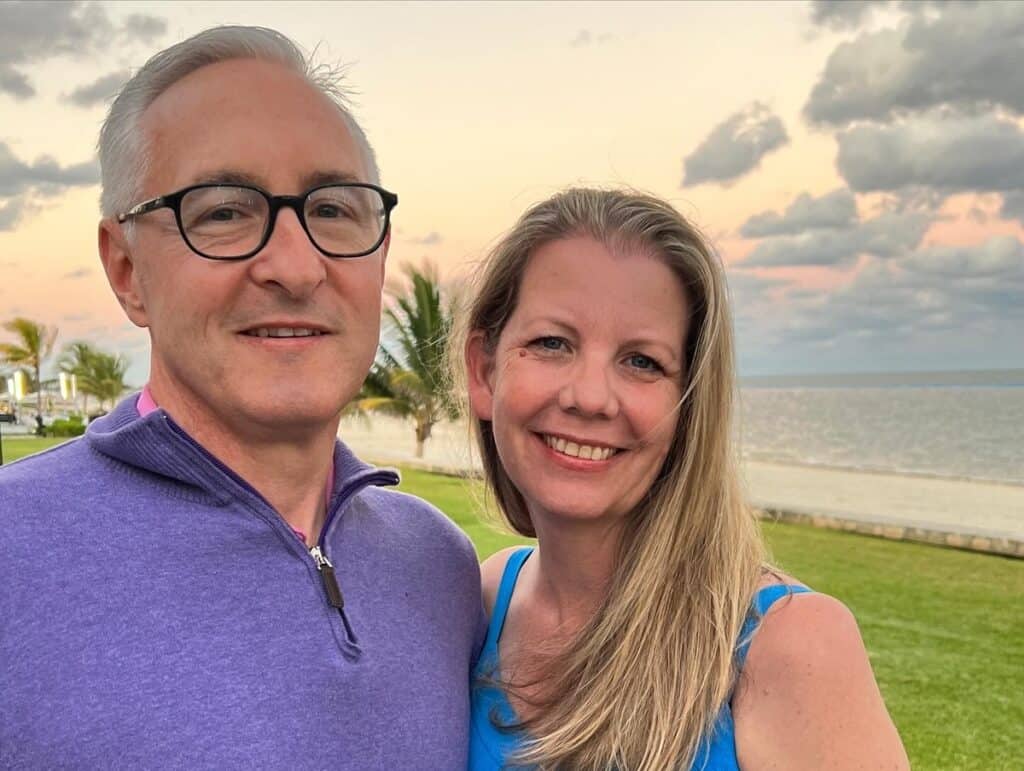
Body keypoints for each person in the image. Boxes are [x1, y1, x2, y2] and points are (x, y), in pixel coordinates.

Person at [0, 26, 483, 768]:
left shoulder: (439, 565)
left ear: (380, 255)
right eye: (224, 211)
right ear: (126, 269)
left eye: (333, 210)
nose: (296, 266)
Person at [460, 189, 910, 770]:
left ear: (689, 406)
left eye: (642, 361)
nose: (590, 397)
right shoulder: (484, 599)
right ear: (484, 370)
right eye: (552, 343)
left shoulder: (791, 644)